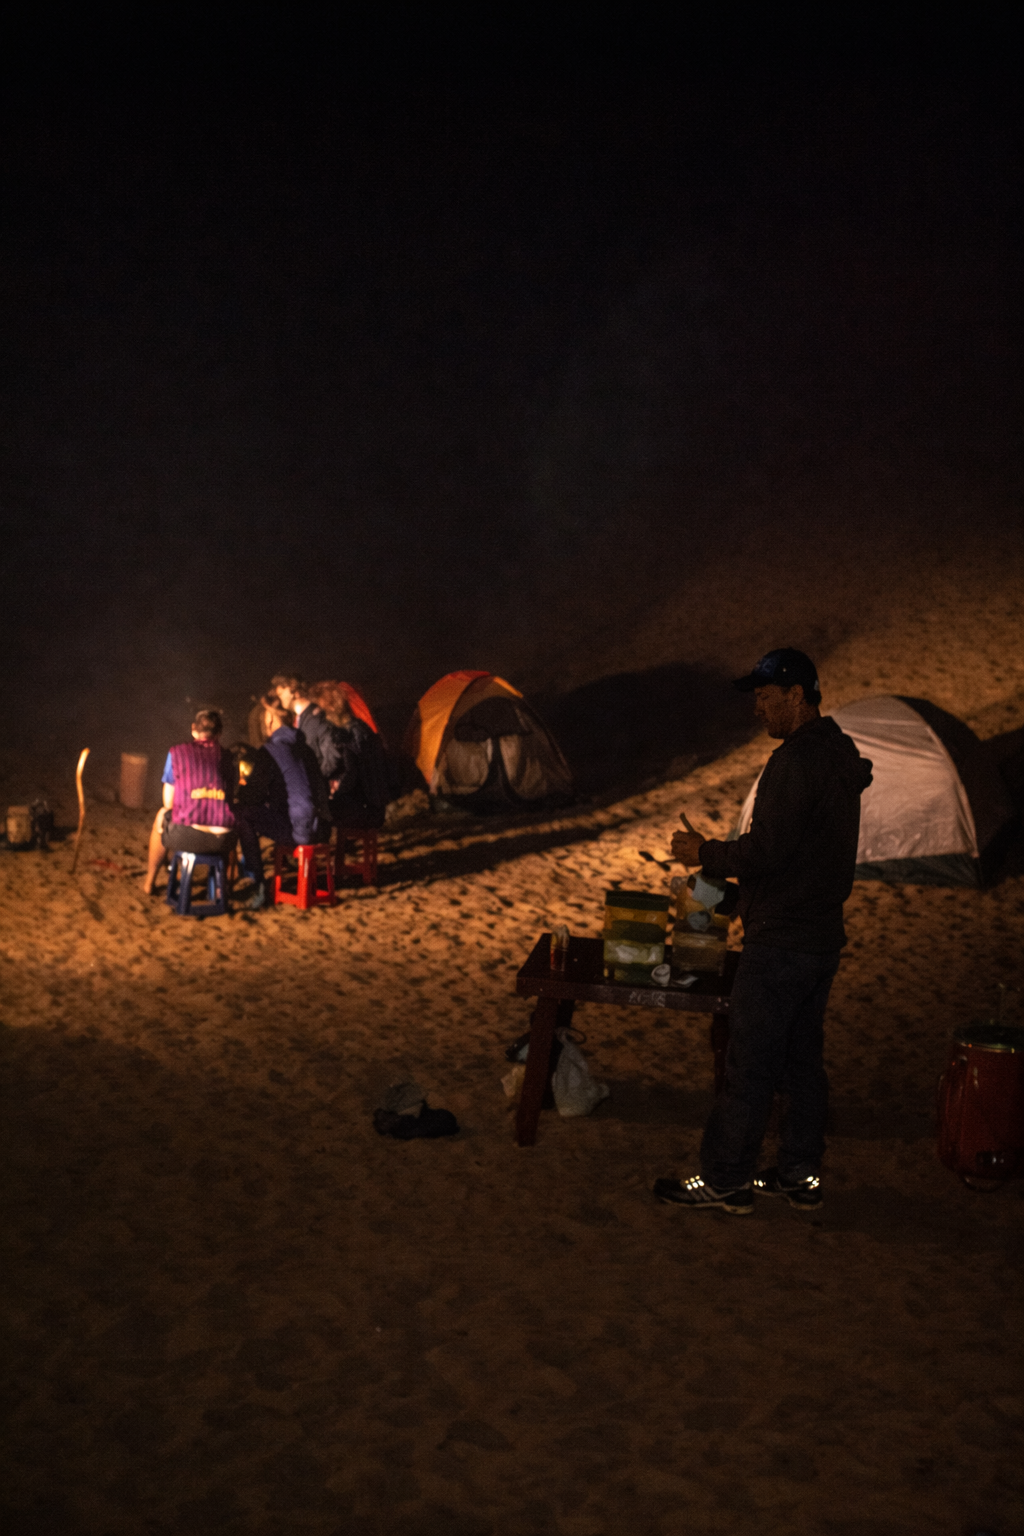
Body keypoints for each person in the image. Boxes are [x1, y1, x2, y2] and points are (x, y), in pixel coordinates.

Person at [654, 648, 873, 1215]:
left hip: (781, 939)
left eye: (766, 697)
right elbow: (796, 850)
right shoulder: (837, 751)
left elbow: (769, 850)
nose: (759, 709)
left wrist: (704, 852)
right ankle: (799, 1175)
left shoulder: (797, 762)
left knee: (749, 1064)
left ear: (797, 695)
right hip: (821, 936)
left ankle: (726, 1179)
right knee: (802, 1063)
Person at [234, 699, 332, 909]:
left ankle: (257, 881)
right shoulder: (305, 749)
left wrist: (241, 790)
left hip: (300, 831)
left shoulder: (269, 751)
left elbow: (253, 796)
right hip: (323, 828)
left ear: (269, 720)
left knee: (243, 814)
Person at [143, 709, 237, 896]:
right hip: (221, 840)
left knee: (161, 815)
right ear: (219, 734)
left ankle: (149, 882)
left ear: (194, 730)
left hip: (186, 836)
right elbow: (230, 795)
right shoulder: (229, 758)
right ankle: (221, 888)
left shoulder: (176, 753)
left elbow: (168, 802)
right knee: (233, 820)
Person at [309, 681, 390, 829]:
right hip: (376, 809)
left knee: (307, 811)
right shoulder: (362, 728)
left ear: (331, 707)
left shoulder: (344, 736)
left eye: (319, 711)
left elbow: (348, 778)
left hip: (362, 812)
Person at [271, 673, 341, 782]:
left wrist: (312, 782)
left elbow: (332, 759)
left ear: (293, 690)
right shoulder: (300, 721)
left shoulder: (316, 719)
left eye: (281, 692)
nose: (279, 696)